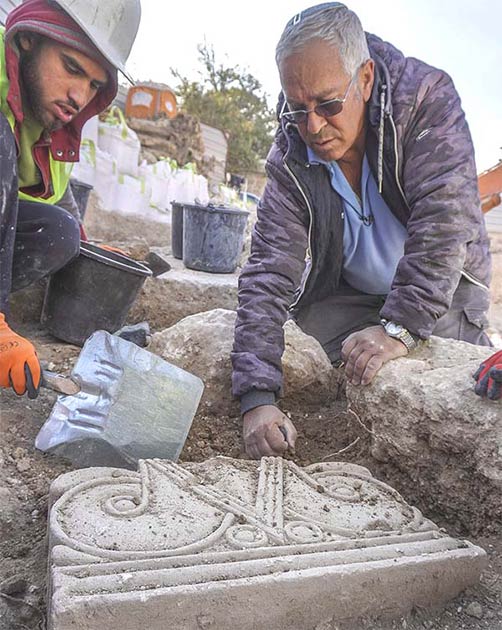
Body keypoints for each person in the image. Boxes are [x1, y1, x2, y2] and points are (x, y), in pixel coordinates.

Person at [231, 2, 493, 460]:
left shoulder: (425, 101)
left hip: (440, 293)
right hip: (352, 297)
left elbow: (445, 221)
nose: (313, 126)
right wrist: (257, 399)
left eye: (329, 104)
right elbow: (268, 272)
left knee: (461, 392)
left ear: (365, 78)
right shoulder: (293, 153)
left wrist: (400, 328)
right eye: (297, 109)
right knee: (309, 344)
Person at [0, 0, 141, 400]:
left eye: (95, 85)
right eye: (72, 68)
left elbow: (58, 203)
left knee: (59, 233)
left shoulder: (50, 125)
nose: (79, 95)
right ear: (27, 39)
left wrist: (87, 243)